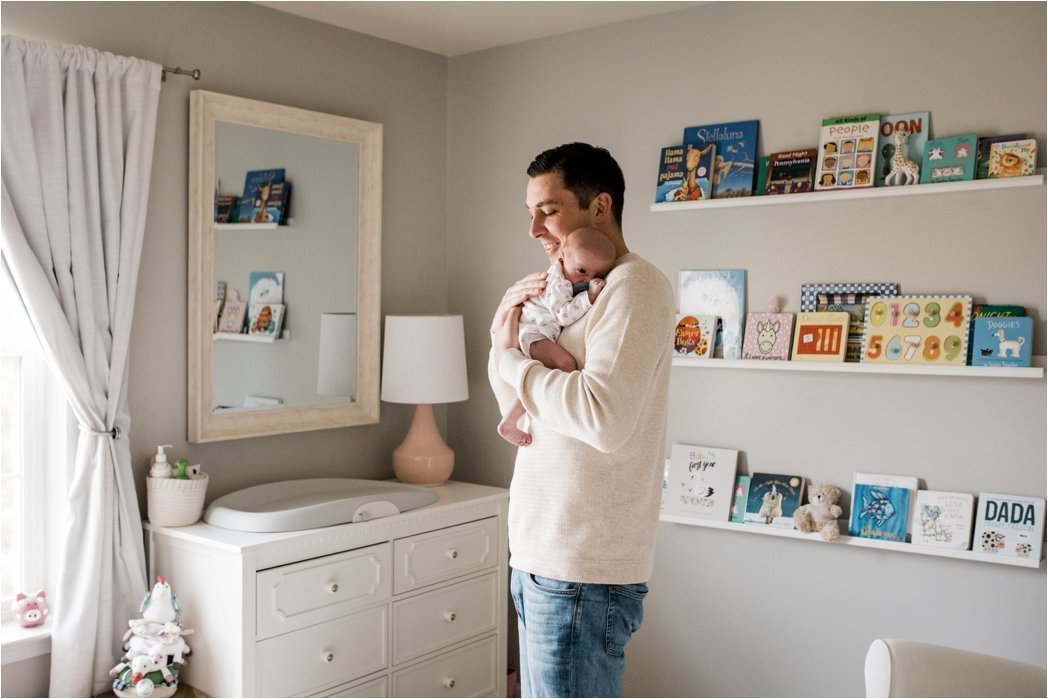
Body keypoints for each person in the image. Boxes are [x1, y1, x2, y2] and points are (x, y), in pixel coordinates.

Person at [488, 142, 675, 697]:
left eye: (547, 210)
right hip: (538, 554)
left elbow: (602, 418)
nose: (534, 229)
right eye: (529, 213)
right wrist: (506, 341)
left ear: (599, 207)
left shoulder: (633, 286)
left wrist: (510, 360)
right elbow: (520, 415)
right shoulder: (554, 288)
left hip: (581, 566)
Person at [497, 226, 617, 447]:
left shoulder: (568, 274)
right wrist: (590, 297)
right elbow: (563, 315)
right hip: (533, 333)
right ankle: (529, 417)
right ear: (562, 257)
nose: (588, 278)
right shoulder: (558, 282)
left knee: (539, 377)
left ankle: (511, 421)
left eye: (595, 274)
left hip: (539, 331)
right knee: (566, 363)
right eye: (582, 271)